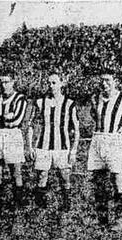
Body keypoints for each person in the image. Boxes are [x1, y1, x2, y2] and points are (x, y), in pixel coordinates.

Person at [88, 69, 122, 231]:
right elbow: (95, 116)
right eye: (102, 80)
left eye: (108, 80)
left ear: (116, 81)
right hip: (97, 140)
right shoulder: (95, 98)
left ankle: (120, 219)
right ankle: (102, 219)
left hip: (114, 140)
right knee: (98, 181)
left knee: (117, 179)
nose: (104, 83)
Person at [26, 72, 80, 211]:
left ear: (62, 83)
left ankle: (66, 205)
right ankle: (40, 207)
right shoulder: (40, 102)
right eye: (49, 83)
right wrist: (30, 147)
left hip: (62, 146)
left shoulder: (69, 104)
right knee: (42, 175)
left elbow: (76, 129)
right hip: (43, 146)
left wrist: (73, 151)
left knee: (64, 176)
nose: (51, 86)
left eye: (54, 83)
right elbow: (30, 125)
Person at [0, 70, 28, 213]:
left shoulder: (20, 99)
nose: (4, 85)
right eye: (2, 82)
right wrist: (4, 117)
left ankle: (19, 204)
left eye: (7, 82)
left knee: (16, 171)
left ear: (13, 82)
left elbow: (16, 120)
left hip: (13, 135)